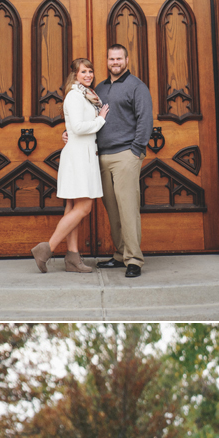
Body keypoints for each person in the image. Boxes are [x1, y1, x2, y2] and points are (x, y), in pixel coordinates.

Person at [31, 58, 108, 273]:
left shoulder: (88, 96)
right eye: (84, 71)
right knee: (84, 207)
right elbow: (78, 126)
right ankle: (47, 248)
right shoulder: (74, 96)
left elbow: (72, 128)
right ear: (75, 75)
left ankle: (72, 258)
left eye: (91, 71)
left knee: (73, 207)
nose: (88, 75)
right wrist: (101, 119)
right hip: (78, 158)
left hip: (83, 155)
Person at [94, 45, 154, 279]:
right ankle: (120, 254)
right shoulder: (99, 88)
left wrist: (136, 151)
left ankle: (134, 259)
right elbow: (90, 120)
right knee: (112, 209)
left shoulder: (137, 86)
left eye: (119, 58)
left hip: (126, 156)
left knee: (128, 209)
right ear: (107, 61)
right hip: (103, 156)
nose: (115, 62)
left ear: (127, 60)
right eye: (111, 58)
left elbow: (145, 119)